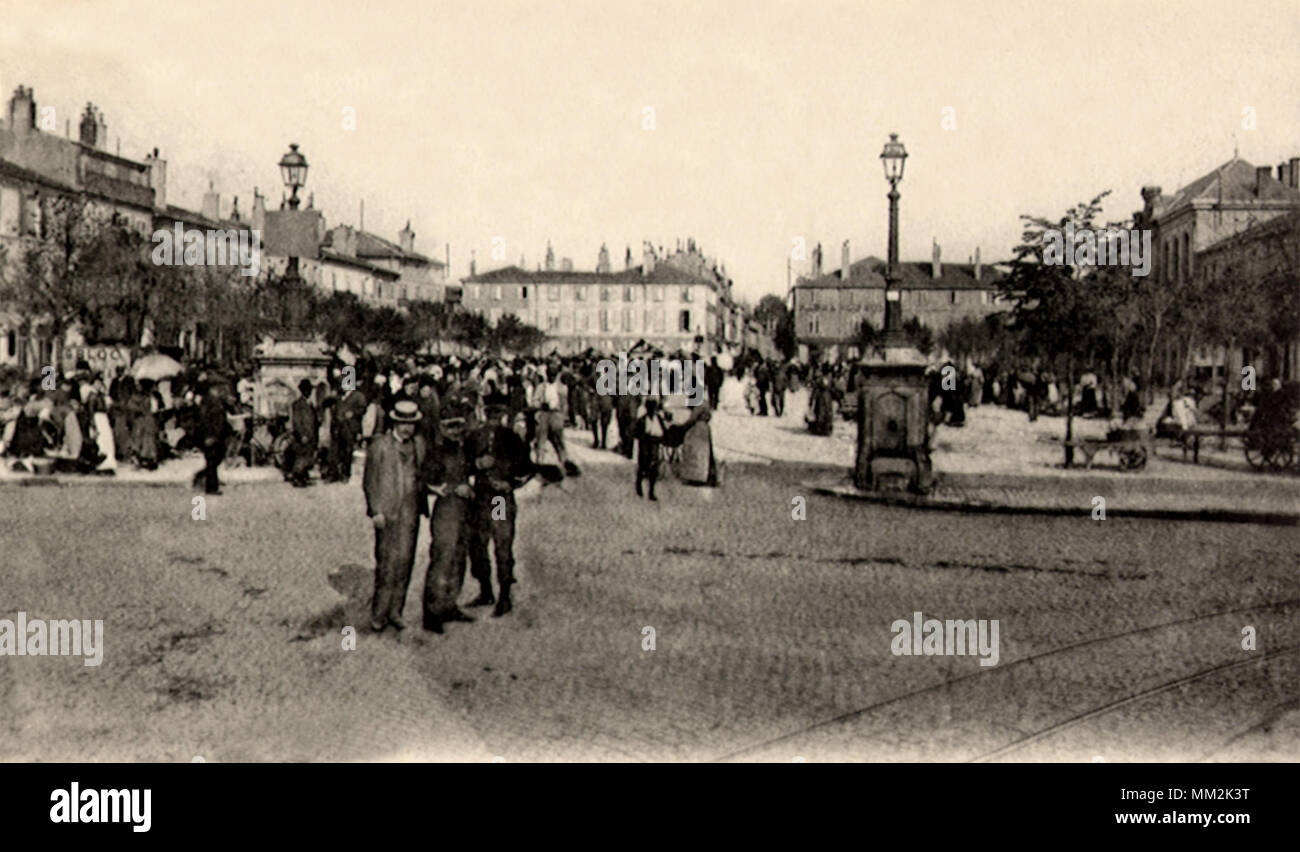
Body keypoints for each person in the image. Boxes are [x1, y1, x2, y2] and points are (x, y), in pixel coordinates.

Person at [363, 400, 428, 632]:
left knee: (405, 562)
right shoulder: (380, 446)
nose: (408, 428)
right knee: (386, 563)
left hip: (410, 513)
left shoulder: (419, 445)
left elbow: (423, 476)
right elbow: (370, 482)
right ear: (395, 422)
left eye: (411, 424)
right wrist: (375, 510)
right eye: (403, 423)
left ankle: (396, 611)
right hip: (387, 513)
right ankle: (379, 614)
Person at [466, 403, 535, 617]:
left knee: (500, 544)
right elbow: (463, 464)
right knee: (478, 545)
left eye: (498, 414)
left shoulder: (512, 439)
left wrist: (510, 484)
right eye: (491, 414)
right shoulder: (474, 437)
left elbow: (527, 469)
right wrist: (477, 464)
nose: (494, 419)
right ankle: (486, 591)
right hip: (481, 497)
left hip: (498, 499)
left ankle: (504, 596)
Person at [421, 395, 478, 633]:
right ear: (442, 428)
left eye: (459, 426)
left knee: (459, 557)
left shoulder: (464, 449)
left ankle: (450, 604)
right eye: (450, 426)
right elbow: (426, 482)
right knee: (443, 558)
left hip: (465, 510)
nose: (456, 431)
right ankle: (432, 613)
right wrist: (455, 488)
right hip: (446, 510)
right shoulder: (436, 452)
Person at [193, 382, 231, 495]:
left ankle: (202, 478)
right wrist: (208, 436)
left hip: (217, 435)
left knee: (216, 459)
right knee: (212, 461)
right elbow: (204, 421)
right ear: (211, 389)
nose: (219, 390)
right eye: (217, 388)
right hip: (211, 435)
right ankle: (211, 487)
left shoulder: (216, 401)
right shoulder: (208, 402)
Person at [633, 397, 668, 500]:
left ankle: (651, 491)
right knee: (643, 466)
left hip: (654, 445)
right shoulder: (642, 420)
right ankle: (639, 485)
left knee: (654, 468)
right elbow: (636, 433)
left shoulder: (658, 419)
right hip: (645, 445)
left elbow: (664, 431)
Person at [285, 378, 318, 487]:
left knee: (308, 456)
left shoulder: (310, 404)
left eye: (309, 390)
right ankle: (297, 477)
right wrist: (302, 434)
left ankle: (303, 476)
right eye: (307, 390)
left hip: (310, 435)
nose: (309, 392)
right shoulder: (298, 404)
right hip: (303, 435)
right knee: (301, 457)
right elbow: (297, 421)